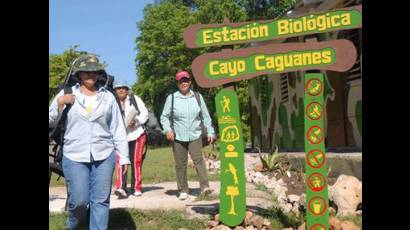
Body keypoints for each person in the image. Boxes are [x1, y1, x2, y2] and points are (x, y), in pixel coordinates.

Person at [49, 54, 130, 230]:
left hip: (104, 155)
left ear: (99, 73)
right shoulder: (66, 93)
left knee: (100, 201)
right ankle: (74, 225)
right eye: (86, 72)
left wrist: (124, 157)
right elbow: (50, 120)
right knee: (78, 201)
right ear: (79, 74)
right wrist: (60, 104)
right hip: (74, 154)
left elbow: (118, 129)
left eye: (94, 72)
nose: (90, 75)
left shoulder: (108, 97)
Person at [160, 70, 216, 200]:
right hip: (178, 136)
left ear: (190, 82)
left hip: (195, 134)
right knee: (180, 164)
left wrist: (211, 132)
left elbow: (206, 116)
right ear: (177, 83)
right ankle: (183, 189)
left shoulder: (197, 97)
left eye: (186, 80)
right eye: (181, 81)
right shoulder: (172, 98)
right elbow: (164, 117)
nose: (184, 83)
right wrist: (167, 130)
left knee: (199, 161)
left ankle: (205, 187)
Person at [113, 80, 149, 198]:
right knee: (121, 162)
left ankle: (136, 188)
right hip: (120, 137)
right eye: (118, 88)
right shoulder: (112, 102)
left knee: (136, 162)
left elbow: (145, 113)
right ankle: (121, 188)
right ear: (115, 90)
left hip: (137, 134)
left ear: (127, 90)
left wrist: (136, 121)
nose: (121, 90)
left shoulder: (135, 99)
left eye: (123, 88)